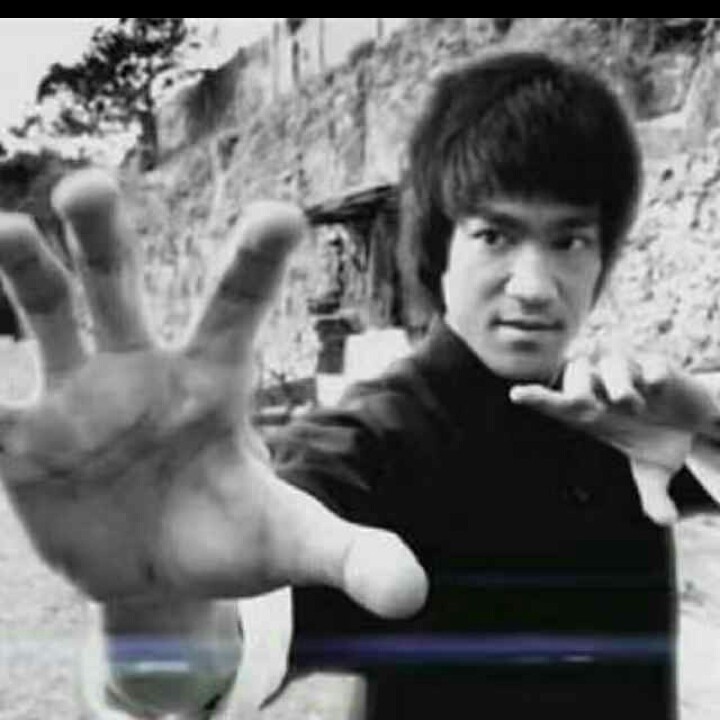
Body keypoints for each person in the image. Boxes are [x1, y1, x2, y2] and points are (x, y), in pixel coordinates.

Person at [0, 51, 719, 719]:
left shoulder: (629, 421)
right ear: (439, 249)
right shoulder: (375, 441)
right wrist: (159, 607)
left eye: (569, 240)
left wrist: (708, 418)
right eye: (494, 236)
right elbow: (218, 644)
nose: (533, 286)